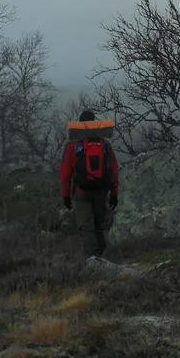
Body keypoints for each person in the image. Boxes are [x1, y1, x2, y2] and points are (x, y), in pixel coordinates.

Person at [60, 110, 120, 257]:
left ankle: (93, 259)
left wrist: (66, 195)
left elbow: (65, 173)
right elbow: (114, 170)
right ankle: (104, 257)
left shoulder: (72, 146)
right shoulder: (104, 145)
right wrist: (114, 194)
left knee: (86, 226)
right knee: (100, 225)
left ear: (80, 125)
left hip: (81, 192)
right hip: (101, 190)